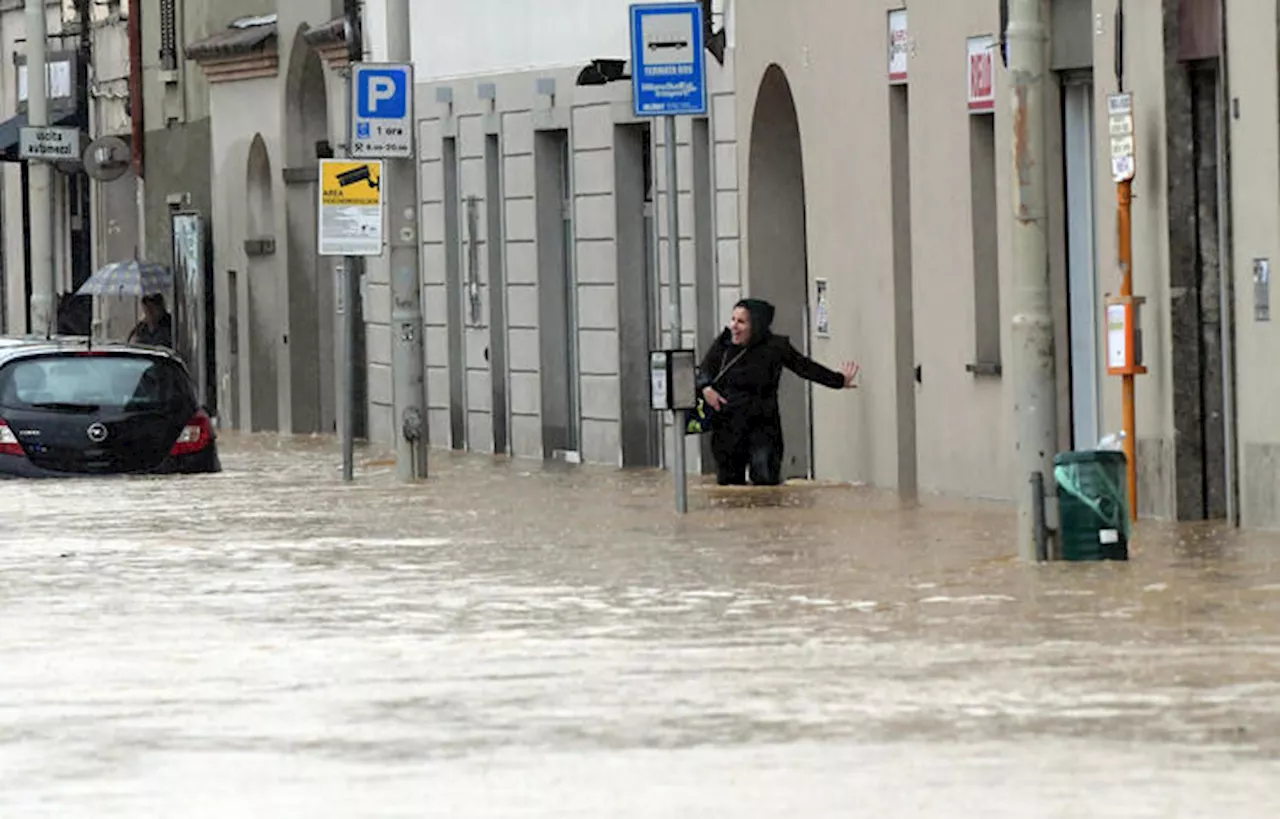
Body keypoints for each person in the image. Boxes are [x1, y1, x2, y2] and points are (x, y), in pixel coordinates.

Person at [697, 298, 859, 487]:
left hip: (763, 428)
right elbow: (703, 371)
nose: (734, 326)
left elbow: (804, 367)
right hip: (727, 427)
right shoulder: (723, 345)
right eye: (732, 319)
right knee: (730, 489)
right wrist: (706, 389)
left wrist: (839, 380)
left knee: (766, 488)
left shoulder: (775, 347)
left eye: (741, 322)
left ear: (756, 324)